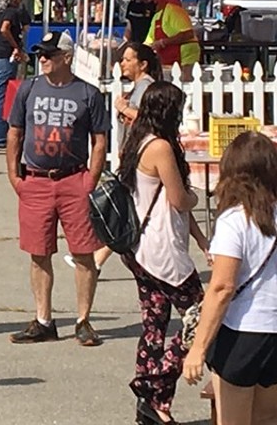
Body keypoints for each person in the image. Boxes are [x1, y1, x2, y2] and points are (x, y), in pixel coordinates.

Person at [110, 82, 209, 425]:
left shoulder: (136, 140)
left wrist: (200, 238)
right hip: (163, 252)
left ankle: (150, 405)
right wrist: (196, 197)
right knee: (201, 318)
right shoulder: (161, 148)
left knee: (154, 326)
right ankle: (154, 386)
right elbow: (180, 200)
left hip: (142, 248)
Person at [5, 31, 110, 346]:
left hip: (73, 179)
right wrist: (14, 177)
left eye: (50, 54)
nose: (43, 59)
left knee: (83, 252)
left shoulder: (88, 94)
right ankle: (43, 319)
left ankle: (83, 320)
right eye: (40, 54)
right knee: (39, 252)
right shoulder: (29, 89)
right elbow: (14, 133)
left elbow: (100, 140)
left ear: (67, 57)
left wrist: (91, 178)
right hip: (36, 179)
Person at [183, 131, 277, 425]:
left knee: (233, 420)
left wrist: (197, 349)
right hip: (273, 328)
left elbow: (222, 287)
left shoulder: (234, 220)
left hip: (241, 331)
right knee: (267, 418)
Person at [0, 0, 30, 152]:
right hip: (5, 54)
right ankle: (1, 137)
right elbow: (5, 28)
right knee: (3, 97)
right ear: (13, 0)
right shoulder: (10, 12)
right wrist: (15, 46)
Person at [143, 0, 201, 71]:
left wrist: (163, 42)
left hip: (185, 58)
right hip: (168, 60)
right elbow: (149, 42)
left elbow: (188, 34)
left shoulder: (175, 11)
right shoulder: (156, 16)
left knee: (185, 84)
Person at [114, 42, 164, 127]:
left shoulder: (145, 86)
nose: (122, 64)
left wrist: (123, 108)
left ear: (143, 65)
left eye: (128, 60)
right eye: (122, 59)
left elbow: (148, 117)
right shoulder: (140, 85)